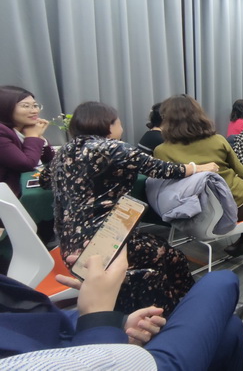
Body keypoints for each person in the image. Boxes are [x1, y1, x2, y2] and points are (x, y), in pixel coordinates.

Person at [39, 101, 217, 315]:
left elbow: (44, 180)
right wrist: (199, 167)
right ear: (108, 125)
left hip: (70, 247)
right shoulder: (113, 148)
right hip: (102, 245)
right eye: (119, 122)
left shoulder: (64, 151)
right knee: (172, 256)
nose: (121, 127)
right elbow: (162, 169)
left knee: (161, 246)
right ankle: (191, 308)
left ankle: (176, 305)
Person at [0, 250, 243, 370]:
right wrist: (97, 318)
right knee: (221, 281)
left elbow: (28, 320)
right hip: (101, 360)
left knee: (228, 331)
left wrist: (115, 324)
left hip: (74, 346)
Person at [154, 95, 243, 269]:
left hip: (196, 215)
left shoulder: (161, 151)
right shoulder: (218, 140)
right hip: (239, 205)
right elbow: (241, 171)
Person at [0, 86, 54, 198]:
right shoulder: (2, 131)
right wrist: (33, 136)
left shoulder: (24, 128)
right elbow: (26, 164)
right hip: (8, 196)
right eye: (26, 106)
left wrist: (39, 136)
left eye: (35, 105)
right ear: (5, 107)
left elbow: (50, 159)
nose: (35, 111)